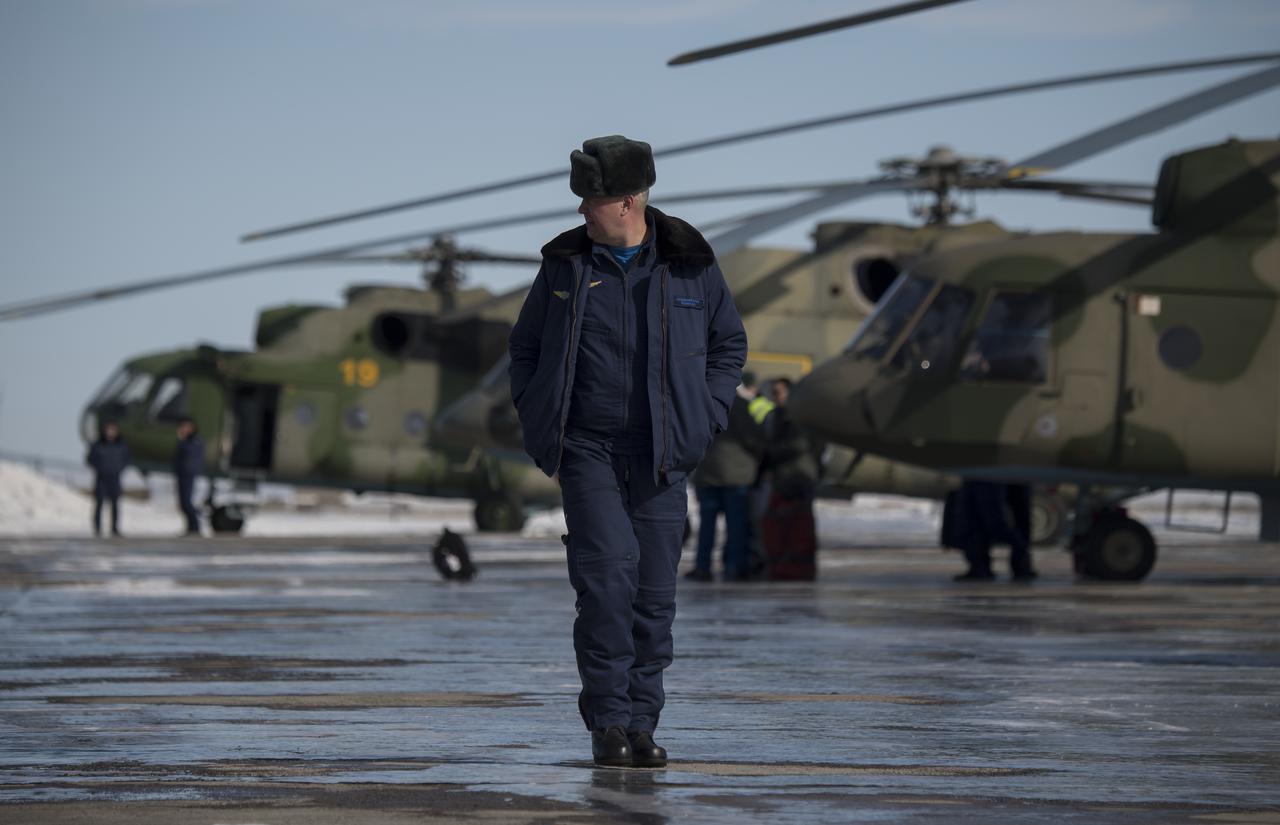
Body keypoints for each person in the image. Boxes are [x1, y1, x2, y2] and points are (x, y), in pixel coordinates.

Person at [509, 135, 747, 768]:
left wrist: (707, 413)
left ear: (627, 201)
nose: (582, 210)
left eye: (592, 198)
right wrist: (539, 416)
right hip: (587, 448)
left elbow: (729, 346)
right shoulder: (564, 267)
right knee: (607, 580)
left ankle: (642, 726)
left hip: (663, 454)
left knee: (652, 595)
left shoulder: (691, 265)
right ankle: (608, 722)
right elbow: (525, 348)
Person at [688, 372, 767, 582]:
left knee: (707, 526)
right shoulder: (740, 406)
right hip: (736, 476)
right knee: (736, 526)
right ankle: (733, 567)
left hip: (708, 474)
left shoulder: (702, 402)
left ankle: (702, 567)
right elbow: (754, 439)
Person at [760, 377, 822, 579]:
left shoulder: (799, 416)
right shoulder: (777, 415)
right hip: (783, 477)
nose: (777, 397)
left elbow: (800, 444)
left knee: (799, 525)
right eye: (775, 393)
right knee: (781, 525)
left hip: (798, 477)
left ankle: (800, 567)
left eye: (780, 392)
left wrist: (770, 453)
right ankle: (784, 566)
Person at [944, 479, 1036, 581]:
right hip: (1011, 470)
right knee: (1002, 516)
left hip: (983, 473)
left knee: (983, 517)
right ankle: (1020, 562)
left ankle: (981, 565)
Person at [86, 421, 130, 537]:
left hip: (115, 478)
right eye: (108, 429)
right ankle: (97, 529)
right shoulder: (98, 445)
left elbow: (126, 459)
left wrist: (119, 469)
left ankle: (115, 529)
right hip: (101, 478)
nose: (110, 432)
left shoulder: (121, 445)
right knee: (99, 503)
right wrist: (99, 468)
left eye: (113, 430)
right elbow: (90, 459)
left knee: (115, 504)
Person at [174, 417, 205, 536]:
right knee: (183, 502)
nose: (183, 429)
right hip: (182, 473)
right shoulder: (186, 441)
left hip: (188, 474)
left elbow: (190, 454)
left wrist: (182, 440)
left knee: (186, 501)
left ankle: (195, 526)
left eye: (185, 427)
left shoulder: (195, 441)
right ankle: (191, 527)